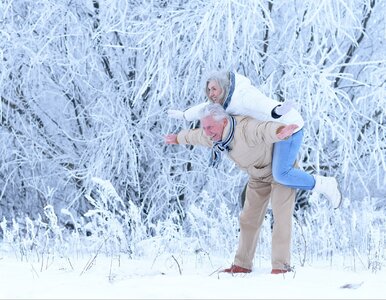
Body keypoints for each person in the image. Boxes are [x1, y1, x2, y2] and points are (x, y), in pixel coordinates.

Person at [167, 70, 341, 209]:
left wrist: (278, 110)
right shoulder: (222, 103)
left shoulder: (244, 97)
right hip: (268, 133)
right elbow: (203, 109)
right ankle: (272, 199)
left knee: (281, 173)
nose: (211, 93)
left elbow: (262, 103)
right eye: (209, 89)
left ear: (224, 87)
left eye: (214, 89)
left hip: (287, 127)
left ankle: (324, 184)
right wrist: (184, 115)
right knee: (261, 168)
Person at [165, 103, 299, 274]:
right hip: (259, 175)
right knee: (248, 218)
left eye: (210, 127)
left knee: (281, 217)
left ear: (224, 122)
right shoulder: (213, 135)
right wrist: (177, 138)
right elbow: (196, 136)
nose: (207, 131)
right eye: (205, 127)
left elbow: (262, 128)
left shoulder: (243, 128)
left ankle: (282, 267)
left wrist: (280, 131)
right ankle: (242, 264)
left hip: (282, 172)